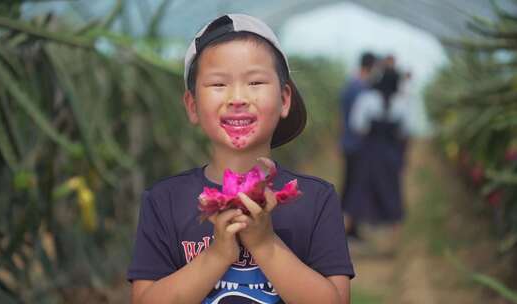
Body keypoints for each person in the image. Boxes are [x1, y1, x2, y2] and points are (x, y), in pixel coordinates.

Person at [127, 14, 354, 304]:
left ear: (285, 100)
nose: (237, 98)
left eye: (255, 82)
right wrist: (218, 255)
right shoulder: (163, 201)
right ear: (193, 105)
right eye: (218, 85)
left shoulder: (316, 199)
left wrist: (265, 244)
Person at [347, 58, 413, 252]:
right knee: (392, 193)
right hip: (390, 155)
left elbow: (357, 126)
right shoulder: (402, 103)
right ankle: (394, 244)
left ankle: (347, 237)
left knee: (359, 192)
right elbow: (405, 131)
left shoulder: (367, 99)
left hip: (369, 153)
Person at [339, 52, 377, 237]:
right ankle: (348, 229)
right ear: (370, 67)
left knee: (350, 184)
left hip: (348, 141)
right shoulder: (360, 89)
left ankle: (348, 227)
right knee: (355, 185)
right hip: (357, 144)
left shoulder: (350, 85)